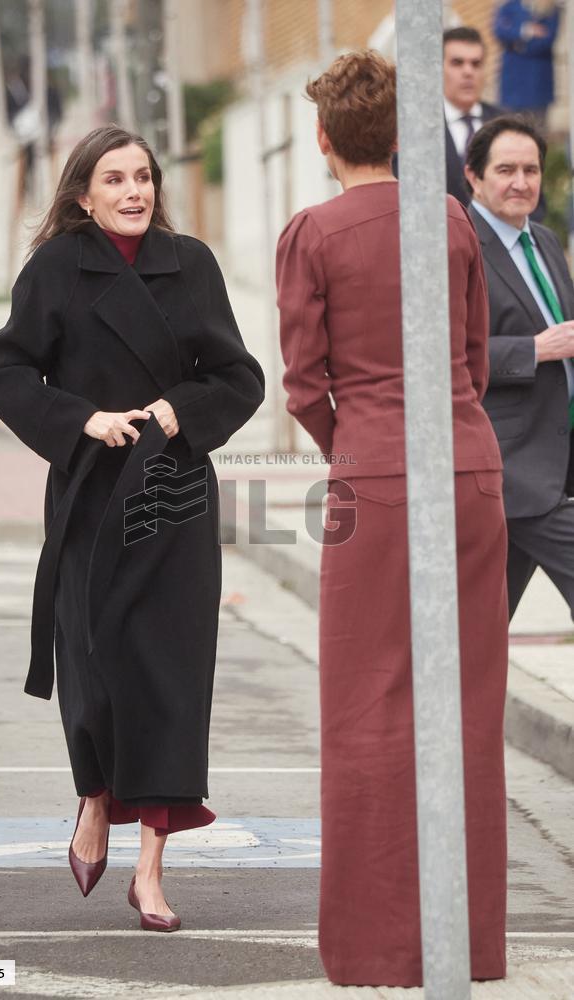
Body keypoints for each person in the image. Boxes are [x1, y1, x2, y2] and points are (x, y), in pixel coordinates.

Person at [0, 124, 264, 931]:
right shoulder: (57, 269)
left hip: (174, 498)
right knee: (96, 673)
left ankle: (151, 873)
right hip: (90, 499)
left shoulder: (191, 264)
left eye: (143, 177)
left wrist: (182, 409)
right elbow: (4, 371)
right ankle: (95, 799)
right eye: (115, 179)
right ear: (83, 194)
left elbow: (240, 377)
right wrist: (83, 420)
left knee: (171, 682)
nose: (134, 191)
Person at [276, 50, 508, 987]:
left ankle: (379, 950)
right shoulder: (450, 217)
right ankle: (468, 943)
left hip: (374, 475)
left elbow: (302, 382)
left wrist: (358, 446)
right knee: (469, 709)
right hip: (469, 466)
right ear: (407, 135)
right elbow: (476, 355)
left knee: (367, 708)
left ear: (324, 138)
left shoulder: (311, 232)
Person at [465, 115, 574, 622]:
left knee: (479, 625)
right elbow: (441, 354)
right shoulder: (460, 247)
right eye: (506, 169)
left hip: (558, 454)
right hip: (516, 464)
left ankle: (442, 702)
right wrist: (533, 349)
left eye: (531, 170)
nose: (521, 182)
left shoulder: (546, 241)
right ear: (474, 177)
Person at [442, 26, 503, 206]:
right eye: (457, 63)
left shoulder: (507, 124)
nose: (468, 72)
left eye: (476, 64)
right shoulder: (418, 128)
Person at [494, 1, 560, 130]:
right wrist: (526, 30)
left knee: (538, 132)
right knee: (509, 130)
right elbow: (499, 31)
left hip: (538, 84)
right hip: (512, 84)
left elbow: (546, 40)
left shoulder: (550, 8)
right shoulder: (508, 6)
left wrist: (517, 45)